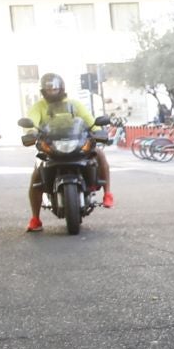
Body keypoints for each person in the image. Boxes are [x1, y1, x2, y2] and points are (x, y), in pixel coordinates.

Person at [24, 72, 111, 231]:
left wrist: (98, 131)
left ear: (61, 89)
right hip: (51, 147)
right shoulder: (39, 106)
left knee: (99, 154)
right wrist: (30, 132)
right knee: (36, 177)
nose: (52, 92)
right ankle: (35, 219)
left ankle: (108, 193)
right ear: (43, 91)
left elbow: (88, 119)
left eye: (55, 89)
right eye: (48, 90)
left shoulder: (74, 104)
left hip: (77, 143)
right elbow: (31, 122)